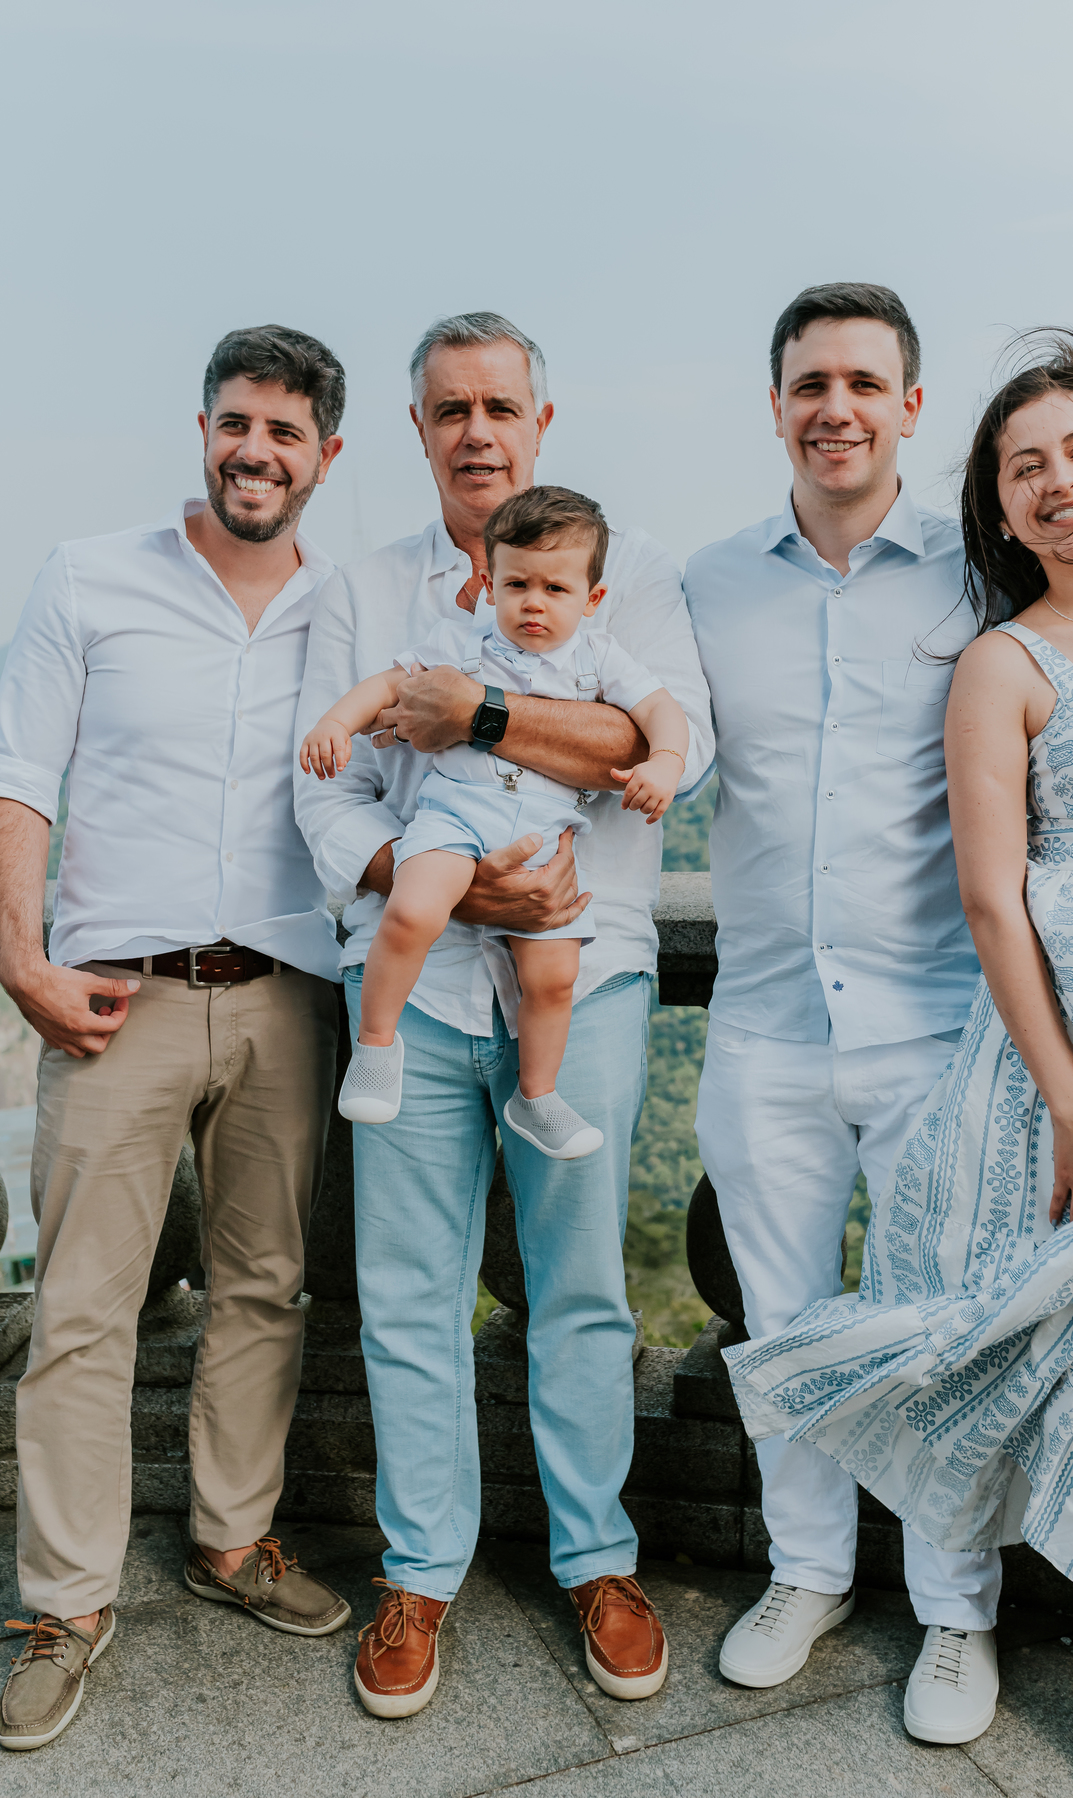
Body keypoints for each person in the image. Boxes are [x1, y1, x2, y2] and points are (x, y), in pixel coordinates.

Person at [721, 329, 1073, 1798]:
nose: (1061, 483)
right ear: (996, 508)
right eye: (1024, 469)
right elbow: (995, 896)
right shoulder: (999, 658)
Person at [294, 311, 712, 1717]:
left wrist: (472, 713)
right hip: (412, 978)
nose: (478, 429)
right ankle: (420, 1570)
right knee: (406, 1290)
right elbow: (326, 789)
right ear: (418, 430)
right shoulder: (364, 588)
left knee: (579, 1282)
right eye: (450, 408)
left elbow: (661, 741)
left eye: (501, 406)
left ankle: (598, 1555)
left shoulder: (628, 572)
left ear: (543, 422)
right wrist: (463, 900)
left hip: (579, 977)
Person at [0, 326, 353, 1753]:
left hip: (286, 991)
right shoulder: (89, 576)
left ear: (329, 453)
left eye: (284, 432)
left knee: (267, 1285)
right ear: (202, 428)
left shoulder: (349, 608)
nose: (255, 451)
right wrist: (16, 958)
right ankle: (63, 1603)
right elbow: (19, 777)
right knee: (83, 1307)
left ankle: (232, 1537)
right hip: (112, 996)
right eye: (236, 424)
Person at [684, 283, 1004, 1744]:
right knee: (783, 1320)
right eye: (812, 381)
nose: (838, 407)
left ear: (911, 408)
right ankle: (806, 1571)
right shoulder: (706, 584)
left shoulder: (976, 579)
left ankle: (957, 1610)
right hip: (759, 1019)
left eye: (866, 383)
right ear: (776, 403)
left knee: (941, 1325)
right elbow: (644, 750)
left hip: (937, 1017)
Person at [300, 486, 689, 1145]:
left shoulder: (596, 657)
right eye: (517, 585)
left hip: (544, 840)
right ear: (490, 583)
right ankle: (375, 1047)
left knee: (555, 976)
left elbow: (660, 713)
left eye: (555, 590)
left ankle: (537, 1096)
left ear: (591, 600)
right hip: (453, 821)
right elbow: (388, 688)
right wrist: (338, 723)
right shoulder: (462, 641)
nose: (533, 603)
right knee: (415, 911)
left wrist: (666, 763)